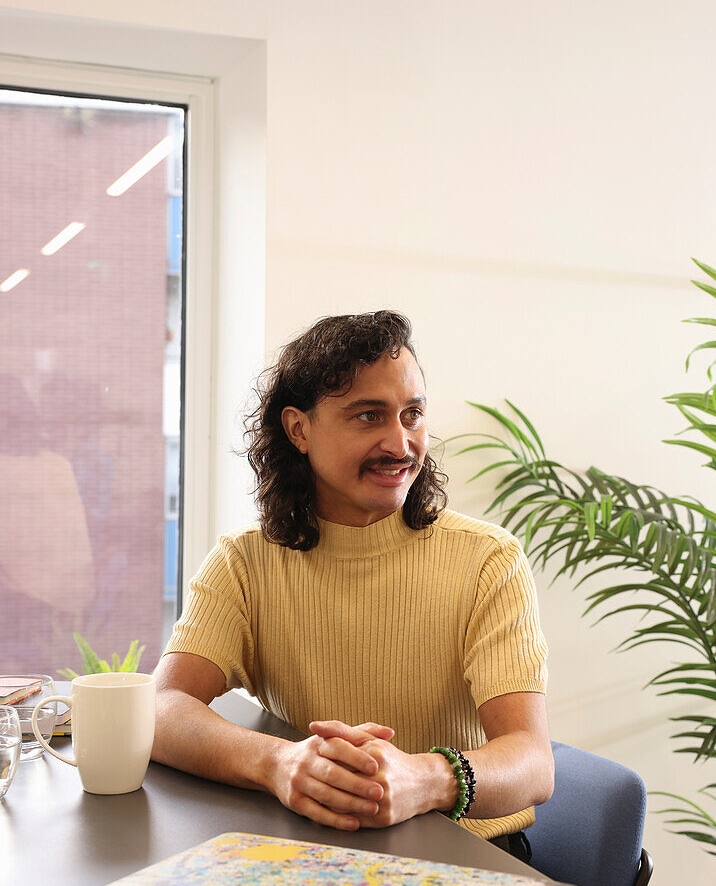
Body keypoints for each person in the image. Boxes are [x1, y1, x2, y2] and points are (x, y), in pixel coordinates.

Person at [152, 312, 553, 857]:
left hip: (466, 857)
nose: (401, 442)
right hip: (314, 850)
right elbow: (162, 707)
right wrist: (279, 762)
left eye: (413, 415)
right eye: (369, 416)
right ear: (299, 430)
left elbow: (532, 761)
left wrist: (425, 780)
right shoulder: (244, 562)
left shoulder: (489, 561)